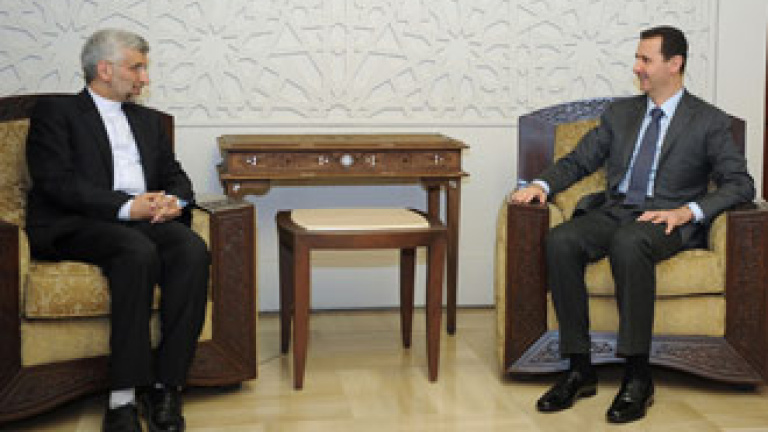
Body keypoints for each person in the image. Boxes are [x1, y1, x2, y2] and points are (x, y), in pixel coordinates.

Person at [509, 25, 754, 423]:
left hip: (665, 219)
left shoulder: (709, 120)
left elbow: (740, 184)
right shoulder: (621, 114)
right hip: (616, 210)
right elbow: (580, 160)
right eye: (637, 58)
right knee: (561, 240)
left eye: (645, 59)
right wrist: (540, 185)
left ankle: (638, 375)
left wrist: (687, 212)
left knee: (629, 243)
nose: (637, 67)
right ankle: (579, 368)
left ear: (674, 64)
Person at [25, 29, 209, 432]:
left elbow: (176, 176)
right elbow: (56, 182)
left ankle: (166, 387)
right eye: (136, 68)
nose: (145, 78)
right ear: (105, 70)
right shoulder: (56, 113)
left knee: (191, 250)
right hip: (78, 221)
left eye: (145, 69)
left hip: (144, 219)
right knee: (135, 250)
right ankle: (122, 397)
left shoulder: (147, 120)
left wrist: (173, 202)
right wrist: (126, 207)